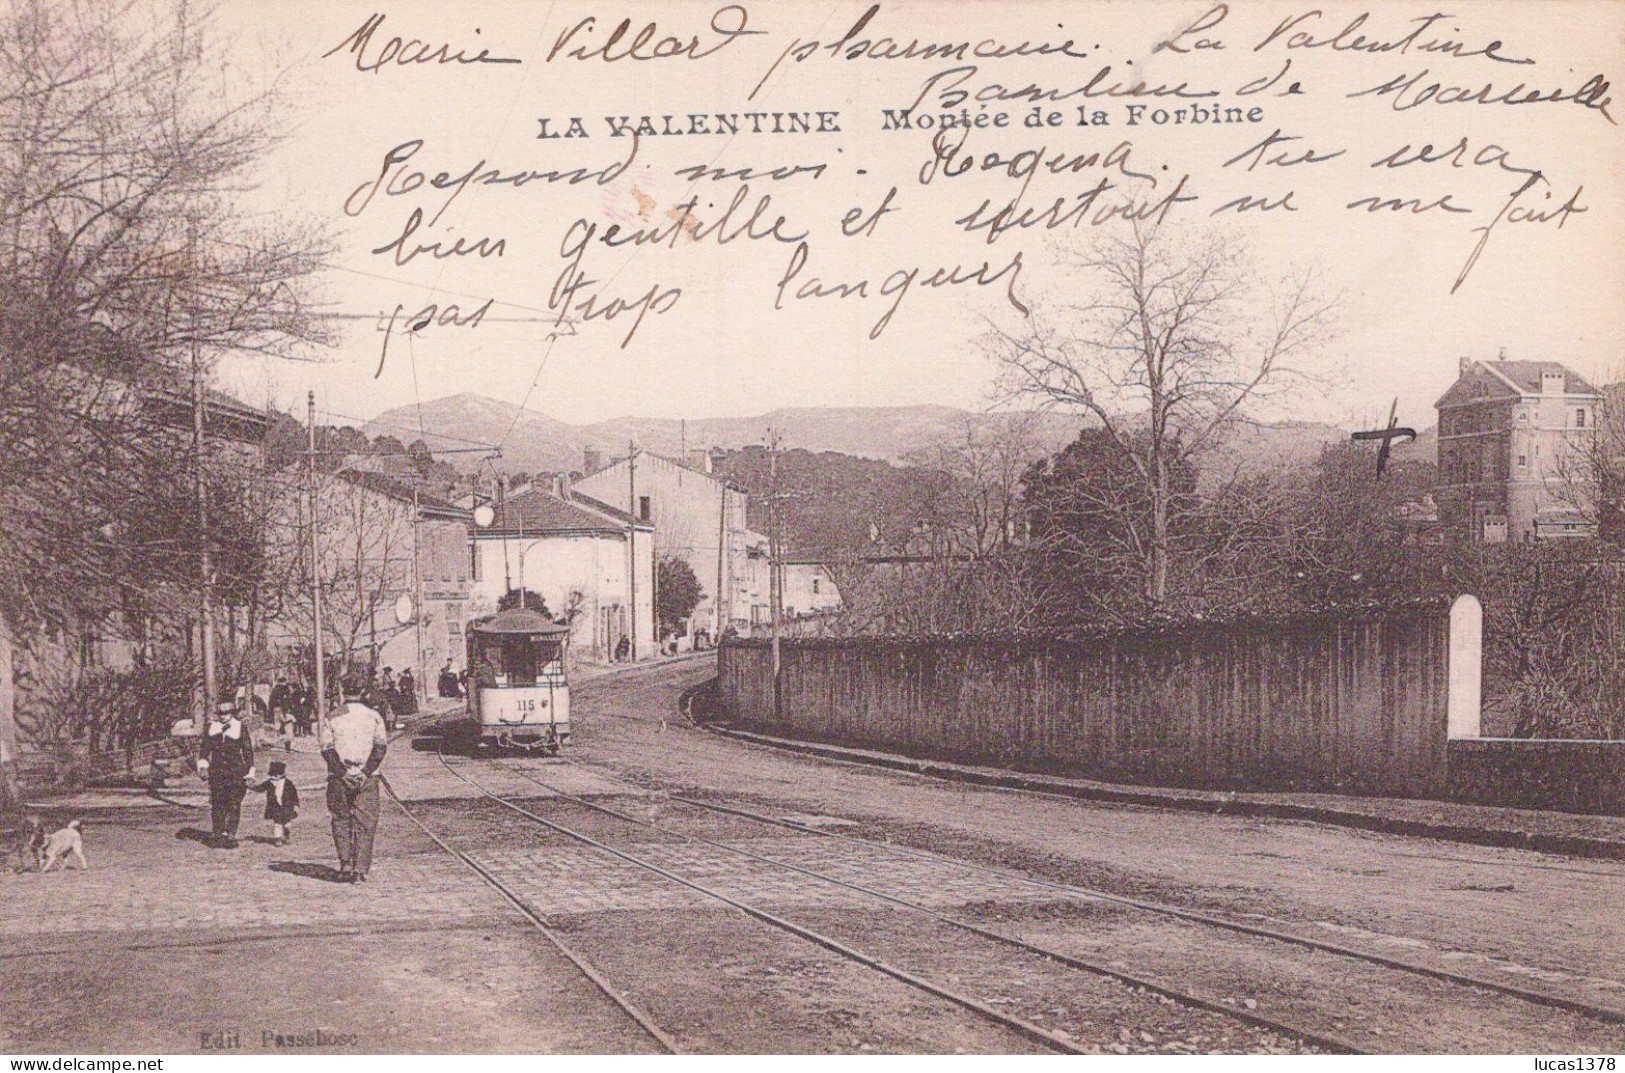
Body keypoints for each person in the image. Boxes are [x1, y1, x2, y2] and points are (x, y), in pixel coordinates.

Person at [318, 674, 389, 883]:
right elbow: (380, 747)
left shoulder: (331, 717)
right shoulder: (374, 716)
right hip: (368, 777)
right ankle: (360, 869)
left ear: (342, 690)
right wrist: (365, 772)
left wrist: (343, 773)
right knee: (366, 822)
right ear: (362, 691)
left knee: (340, 819)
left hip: (338, 777)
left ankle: (345, 865)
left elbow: (327, 749)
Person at [197, 699, 255, 848]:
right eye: (220, 713)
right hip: (217, 772)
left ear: (232, 713)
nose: (223, 716)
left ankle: (230, 835)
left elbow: (247, 752)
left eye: (226, 713)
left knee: (234, 803)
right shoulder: (212, 727)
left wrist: (250, 773)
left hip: (236, 772)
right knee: (217, 803)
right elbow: (204, 750)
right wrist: (203, 767)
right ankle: (217, 833)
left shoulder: (239, 727)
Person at [251, 760, 300, 846]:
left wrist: (296, 805)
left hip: (287, 807)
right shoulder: (269, 783)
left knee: (287, 824)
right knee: (277, 823)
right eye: (272, 775)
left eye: (276, 775)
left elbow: (294, 795)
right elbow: (260, 788)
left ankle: (286, 834)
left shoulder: (288, 783)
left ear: (280, 774)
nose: (274, 777)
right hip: (275, 807)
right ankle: (278, 839)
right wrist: (250, 786)